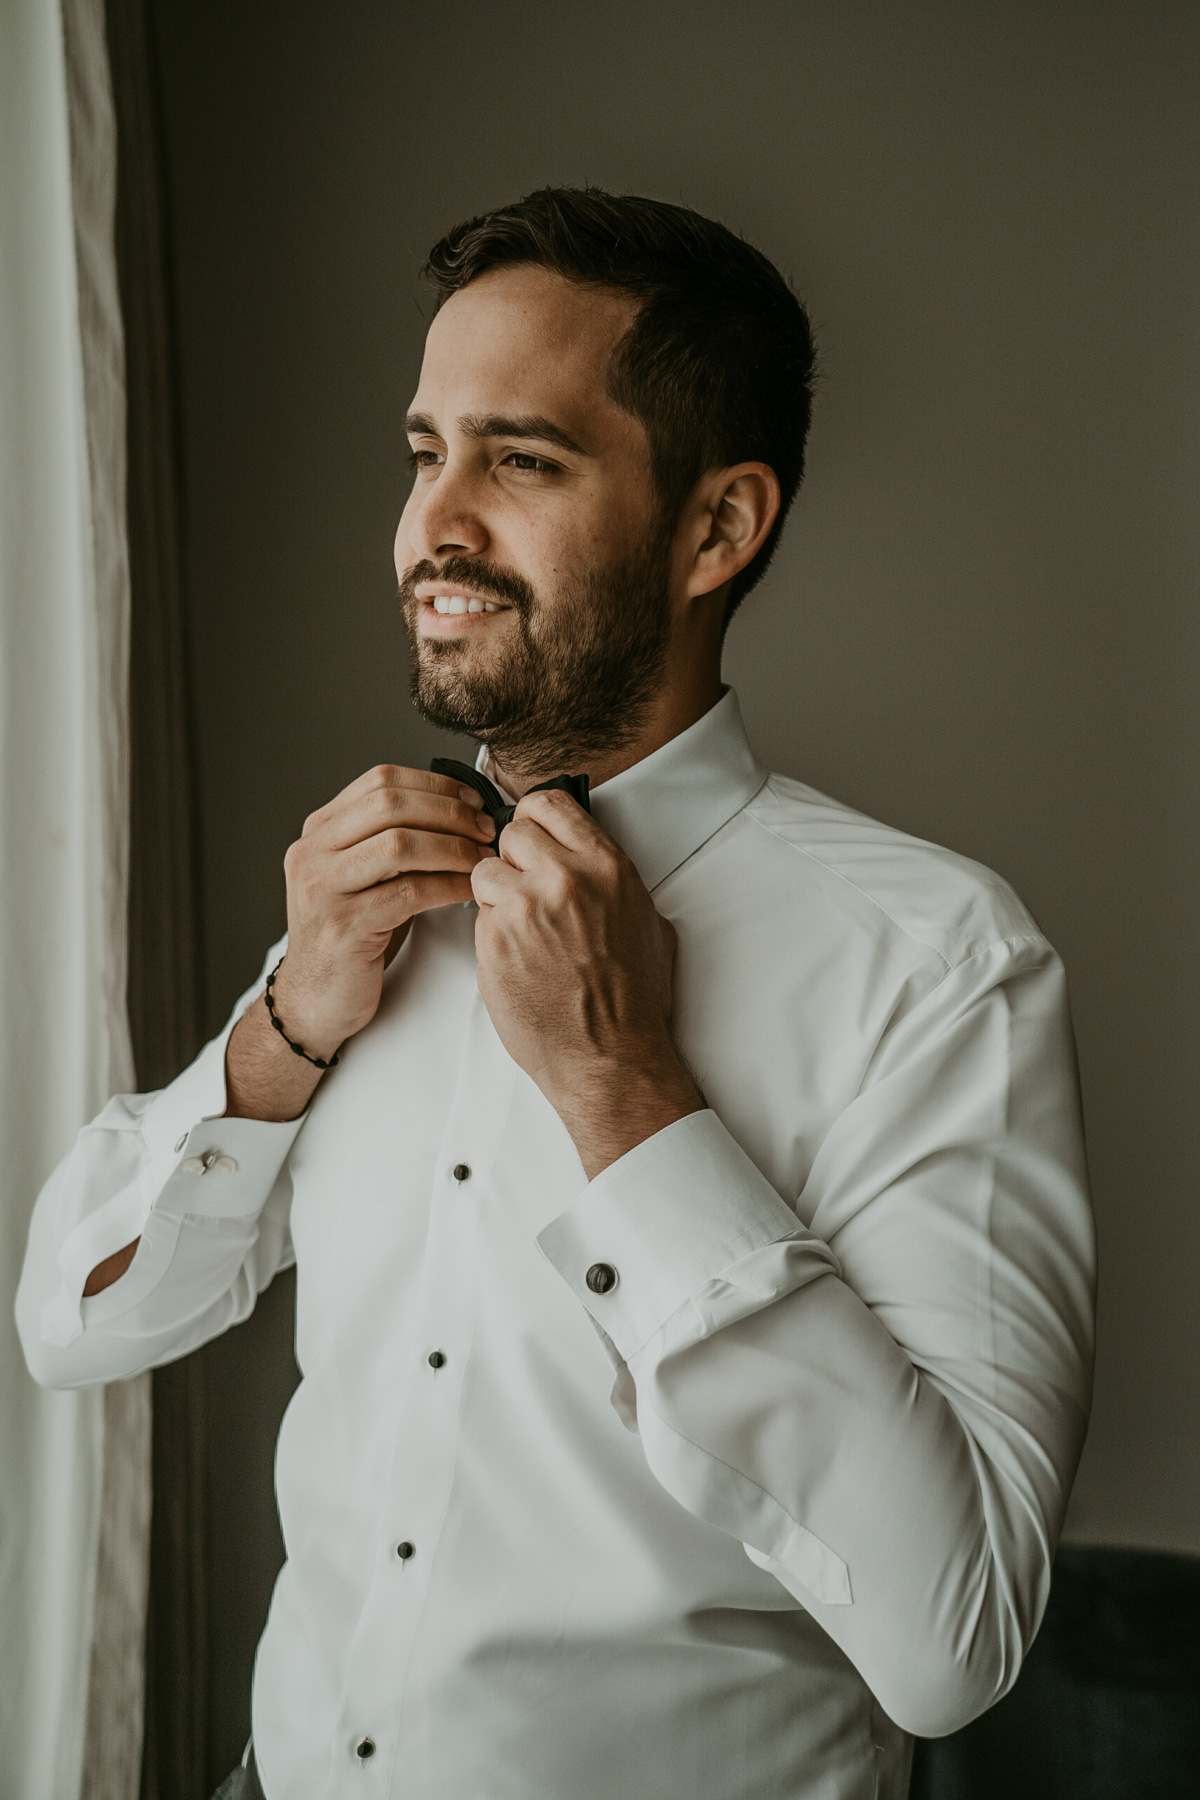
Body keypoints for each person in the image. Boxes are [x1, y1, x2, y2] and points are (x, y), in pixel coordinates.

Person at [17, 188, 1095, 1800]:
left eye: (519, 460)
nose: (433, 526)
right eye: (422, 449)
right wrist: (288, 1025)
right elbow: (71, 1323)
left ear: (717, 529)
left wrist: (630, 1098)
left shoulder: (941, 961)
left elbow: (955, 1644)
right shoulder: (369, 912)